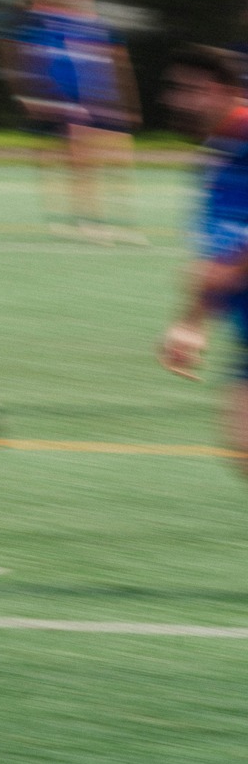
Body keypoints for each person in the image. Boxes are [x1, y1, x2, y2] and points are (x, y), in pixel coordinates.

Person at [156, 47, 248, 474]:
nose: (182, 100)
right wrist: (191, 321)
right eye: (178, 89)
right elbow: (215, 259)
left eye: (196, 90)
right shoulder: (214, 156)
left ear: (229, 91)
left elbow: (226, 263)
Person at [0, 0, 141, 240]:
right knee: (68, 160)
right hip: (67, 102)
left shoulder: (99, 28)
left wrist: (128, 104)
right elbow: (29, 63)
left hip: (103, 102)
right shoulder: (44, 25)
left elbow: (119, 66)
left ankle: (122, 221)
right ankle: (82, 221)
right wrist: (31, 96)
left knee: (117, 159)